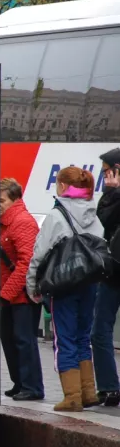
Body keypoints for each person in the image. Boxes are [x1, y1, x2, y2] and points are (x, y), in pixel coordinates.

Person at [26, 166, 102, 412]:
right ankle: (88, 391)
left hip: (64, 285)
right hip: (90, 283)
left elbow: (38, 255)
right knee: (82, 336)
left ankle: (71, 397)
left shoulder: (57, 216)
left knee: (65, 338)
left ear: (61, 187)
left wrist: (32, 286)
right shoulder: (94, 215)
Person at [0, 178, 44, 400]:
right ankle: (20, 383)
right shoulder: (5, 222)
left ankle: (32, 387)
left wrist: (5, 293)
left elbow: (26, 264)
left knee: (24, 339)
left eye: (2, 200)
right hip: (11, 293)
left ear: (14, 199)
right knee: (10, 338)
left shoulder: (22, 222)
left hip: (21, 295)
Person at [93, 149, 120, 406]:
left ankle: (110, 387)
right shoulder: (113, 196)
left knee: (100, 329)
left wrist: (113, 194)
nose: (104, 178)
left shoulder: (114, 196)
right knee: (99, 330)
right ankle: (109, 387)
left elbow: (103, 219)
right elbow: (103, 223)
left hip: (114, 272)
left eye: (106, 172)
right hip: (113, 272)